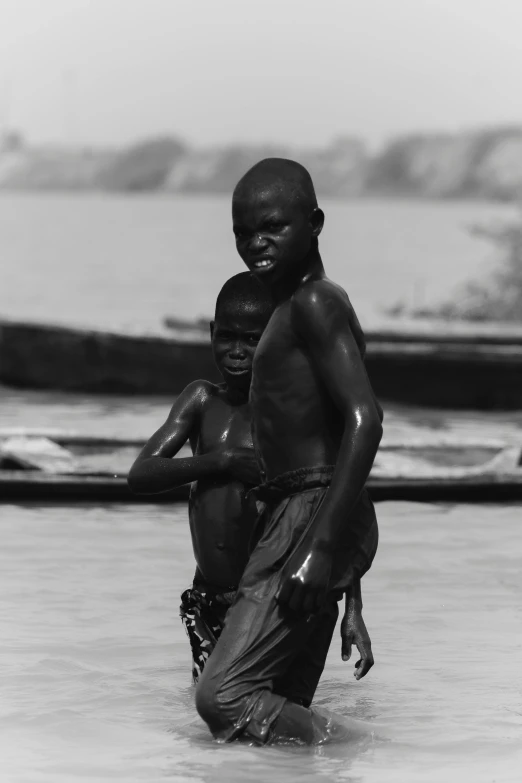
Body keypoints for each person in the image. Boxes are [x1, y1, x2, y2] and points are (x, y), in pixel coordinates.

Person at [195, 159, 383, 745]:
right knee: (280, 707)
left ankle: (366, 752)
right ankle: (338, 761)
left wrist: (321, 548)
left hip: (307, 517)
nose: (256, 243)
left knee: (222, 697)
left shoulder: (315, 304)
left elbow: (364, 419)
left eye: (273, 226)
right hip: (296, 513)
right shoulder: (283, 313)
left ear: (315, 222)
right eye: (243, 232)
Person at [127, 271, 376, 686]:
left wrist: (354, 609)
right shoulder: (201, 400)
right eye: (227, 337)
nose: (237, 352)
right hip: (207, 596)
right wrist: (221, 462)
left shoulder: (287, 417)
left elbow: (336, 502)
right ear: (211, 333)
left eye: (252, 340)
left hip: (266, 599)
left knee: (249, 707)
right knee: (214, 723)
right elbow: (141, 474)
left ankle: (339, 741)